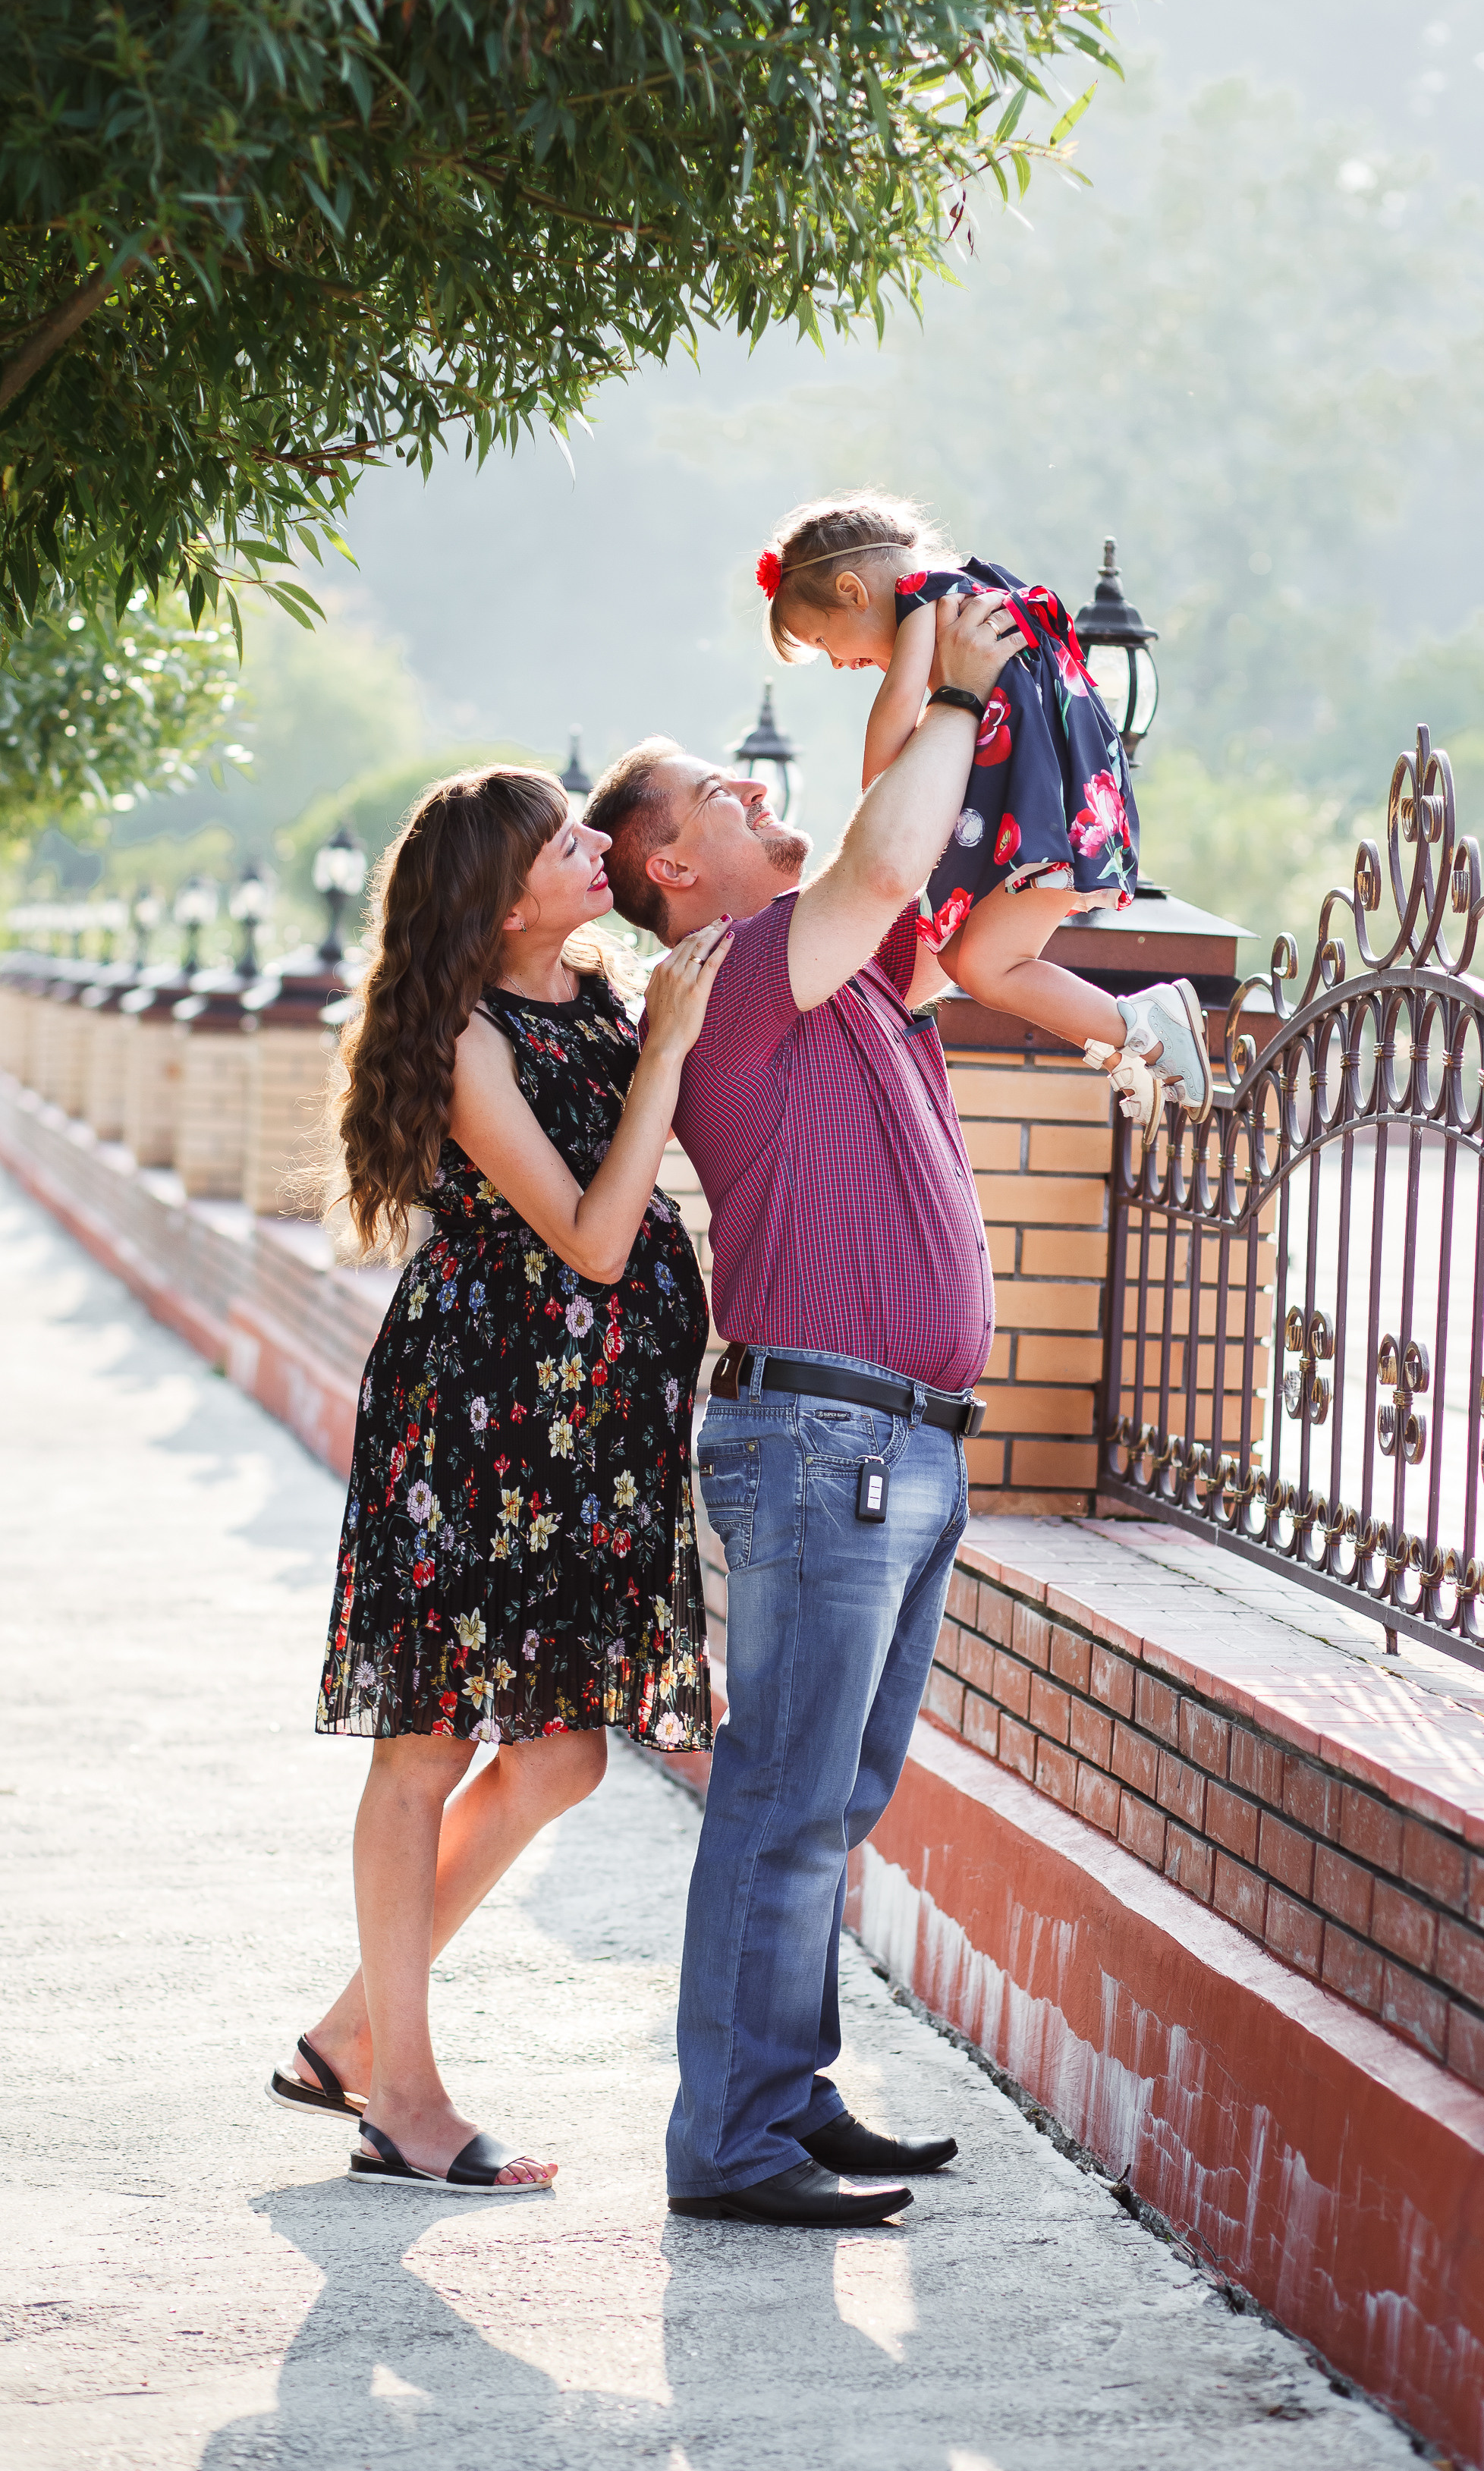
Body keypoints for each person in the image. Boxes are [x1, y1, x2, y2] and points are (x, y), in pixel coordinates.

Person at [588, 587, 1028, 2231]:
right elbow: (889, 850)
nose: (756, 793)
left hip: (897, 1439)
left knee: (830, 1801)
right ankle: (731, 2144)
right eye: (721, 794)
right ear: (673, 872)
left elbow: (920, 874)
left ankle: (785, 2097)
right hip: (829, 1441)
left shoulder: (836, 971)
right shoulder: (745, 971)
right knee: (783, 1794)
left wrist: (924, 656)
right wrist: (959, 697)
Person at [268, 766, 731, 2192]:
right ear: (499, 892)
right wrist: (665, 1052)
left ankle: (352, 2032)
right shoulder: (473, 1040)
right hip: (478, 1431)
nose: (598, 845)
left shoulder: (600, 1003)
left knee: (561, 1755)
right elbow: (591, 1242)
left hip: (589, 1444)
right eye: (565, 840)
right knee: (427, 1751)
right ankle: (403, 2098)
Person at [758, 489, 1212, 1133]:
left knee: (980, 964)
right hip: (1051, 807)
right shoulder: (971, 591)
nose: (837, 662)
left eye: (825, 639)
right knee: (966, 956)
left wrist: (895, 765)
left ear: (856, 591)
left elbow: (884, 760)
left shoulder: (926, 601)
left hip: (1037, 817)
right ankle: (1125, 1037)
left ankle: (1144, 1028)